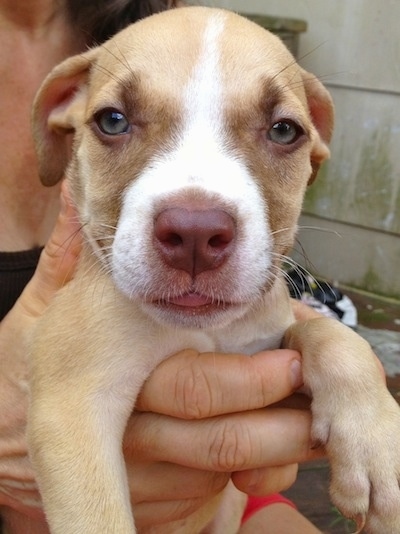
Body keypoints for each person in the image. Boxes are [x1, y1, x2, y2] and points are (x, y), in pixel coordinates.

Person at [0, 1, 327, 532]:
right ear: (63, 111)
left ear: (316, 144)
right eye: (115, 120)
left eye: (284, 130)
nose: (196, 220)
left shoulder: (170, 22)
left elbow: (248, 482)